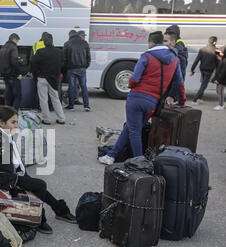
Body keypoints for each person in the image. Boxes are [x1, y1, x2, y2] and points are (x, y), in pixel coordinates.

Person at [0, 106, 77, 234]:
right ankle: (41, 219)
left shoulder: (4, 134)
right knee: (40, 185)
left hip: (12, 174)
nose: (16, 125)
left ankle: (59, 210)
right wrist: (2, 183)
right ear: (2, 123)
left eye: (16, 122)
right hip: (4, 179)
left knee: (38, 186)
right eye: (13, 122)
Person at [98, 31, 186, 165]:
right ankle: (111, 155)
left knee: (134, 131)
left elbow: (134, 78)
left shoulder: (146, 56)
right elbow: (179, 82)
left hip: (137, 98)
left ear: (150, 42)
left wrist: (131, 83)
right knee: (130, 127)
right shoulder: (174, 59)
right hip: (153, 102)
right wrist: (182, 100)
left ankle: (139, 162)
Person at [30, 33, 66, 125]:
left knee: (43, 99)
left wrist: (35, 72)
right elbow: (63, 63)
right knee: (56, 98)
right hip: (54, 79)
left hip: (42, 78)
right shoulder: (59, 52)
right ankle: (61, 118)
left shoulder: (40, 51)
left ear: (44, 42)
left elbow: (33, 62)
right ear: (52, 41)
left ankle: (47, 119)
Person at [63, 29, 91, 111]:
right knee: (84, 87)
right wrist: (85, 66)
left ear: (70, 35)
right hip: (82, 68)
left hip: (71, 69)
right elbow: (88, 57)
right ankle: (86, 106)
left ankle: (71, 106)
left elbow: (64, 58)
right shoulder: (85, 43)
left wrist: (65, 68)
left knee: (71, 87)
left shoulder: (67, 43)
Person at [190, 36, 218, 105]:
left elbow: (196, 60)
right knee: (203, 86)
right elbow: (220, 61)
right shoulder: (217, 50)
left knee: (203, 84)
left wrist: (192, 70)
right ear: (214, 42)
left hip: (202, 69)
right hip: (209, 70)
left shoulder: (202, 49)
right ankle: (194, 100)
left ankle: (199, 99)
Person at [0, 33, 22, 110]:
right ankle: (14, 114)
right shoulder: (13, 47)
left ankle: (7, 113)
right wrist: (18, 73)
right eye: (17, 41)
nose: (17, 43)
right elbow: (15, 61)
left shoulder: (3, 47)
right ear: (14, 39)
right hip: (13, 75)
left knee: (8, 95)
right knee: (18, 96)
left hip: (5, 75)